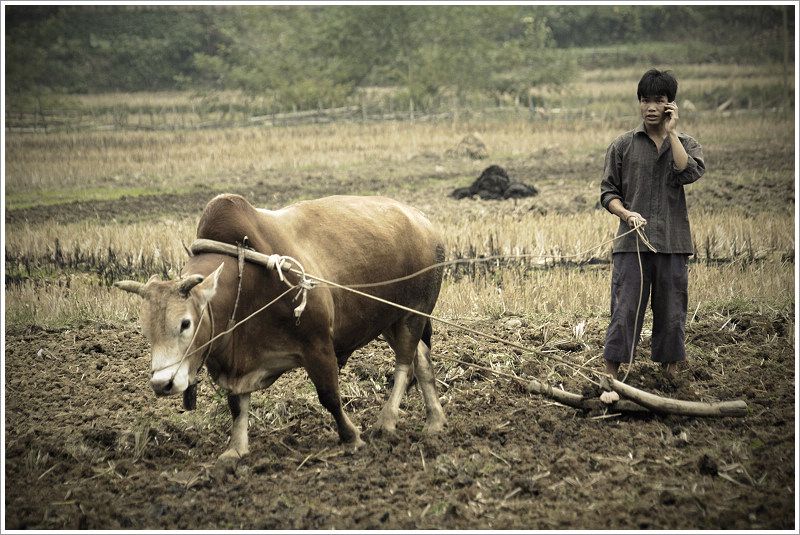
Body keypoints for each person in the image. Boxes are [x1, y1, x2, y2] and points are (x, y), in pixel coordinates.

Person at [599, 69, 705, 402]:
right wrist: (625, 213)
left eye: (658, 100)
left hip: (673, 244)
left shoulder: (686, 144)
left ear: (670, 104)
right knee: (624, 310)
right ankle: (609, 379)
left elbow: (688, 171)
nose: (650, 107)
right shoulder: (623, 145)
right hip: (631, 246)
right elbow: (608, 193)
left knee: (672, 312)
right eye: (645, 100)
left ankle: (669, 379)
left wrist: (671, 134)